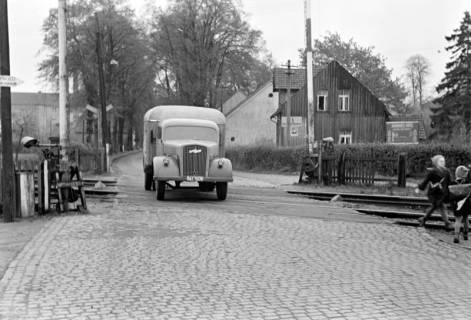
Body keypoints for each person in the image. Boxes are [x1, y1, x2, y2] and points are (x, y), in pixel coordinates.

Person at [416, 155, 453, 229]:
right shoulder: (432, 172)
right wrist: (420, 187)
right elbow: (426, 181)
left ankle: (423, 219)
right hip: (434, 193)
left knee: (434, 207)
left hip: (442, 193)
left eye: (443, 161)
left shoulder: (447, 172)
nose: (443, 162)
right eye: (441, 161)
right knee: (442, 207)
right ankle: (447, 223)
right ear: (436, 162)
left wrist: (452, 190)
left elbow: (450, 182)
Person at [450, 165, 471, 243]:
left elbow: (450, 195)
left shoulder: (452, 183)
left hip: (457, 204)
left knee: (458, 220)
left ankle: (456, 236)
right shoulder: (468, 183)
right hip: (466, 203)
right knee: (465, 218)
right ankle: (465, 234)